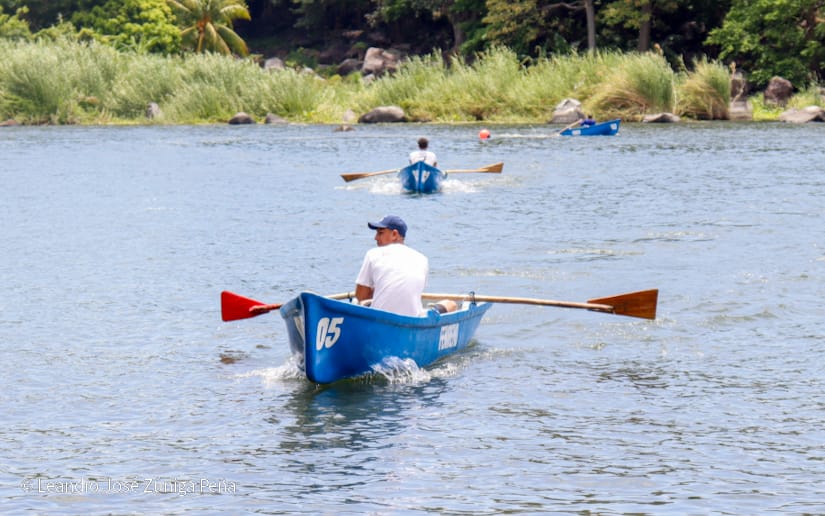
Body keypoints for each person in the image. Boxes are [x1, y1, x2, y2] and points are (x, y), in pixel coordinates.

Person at [355, 215, 429, 316]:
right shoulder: (422, 259)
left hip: (381, 320)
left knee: (357, 303)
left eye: (380, 233)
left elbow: (361, 297)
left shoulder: (373, 254)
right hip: (412, 319)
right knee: (450, 305)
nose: (375, 238)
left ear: (394, 234)